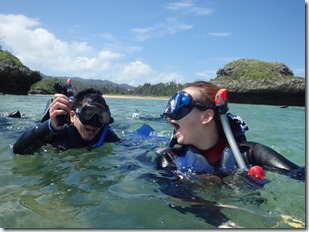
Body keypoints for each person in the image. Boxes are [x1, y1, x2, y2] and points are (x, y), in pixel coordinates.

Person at [157, 81, 305, 181]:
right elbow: (176, 196)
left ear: (207, 116)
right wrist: (222, 222)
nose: (170, 117)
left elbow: (299, 174)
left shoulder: (250, 153)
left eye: (180, 106)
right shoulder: (170, 158)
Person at [13, 88, 120, 154]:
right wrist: (52, 126)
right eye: (87, 114)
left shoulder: (104, 132)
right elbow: (18, 150)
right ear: (72, 116)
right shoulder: (59, 131)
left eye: (102, 117)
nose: (94, 122)